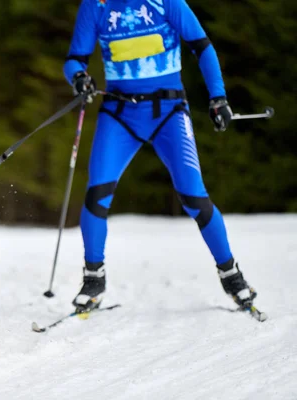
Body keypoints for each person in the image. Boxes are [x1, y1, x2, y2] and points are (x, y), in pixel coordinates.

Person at [63, 0, 258, 312]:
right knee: (97, 192)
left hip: (169, 113)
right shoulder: (95, 5)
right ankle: (93, 278)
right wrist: (79, 78)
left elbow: (202, 46)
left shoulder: (166, 1)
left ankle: (231, 274)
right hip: (119, 113)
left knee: (194, 198)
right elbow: (74, 60)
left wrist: (218, 97)